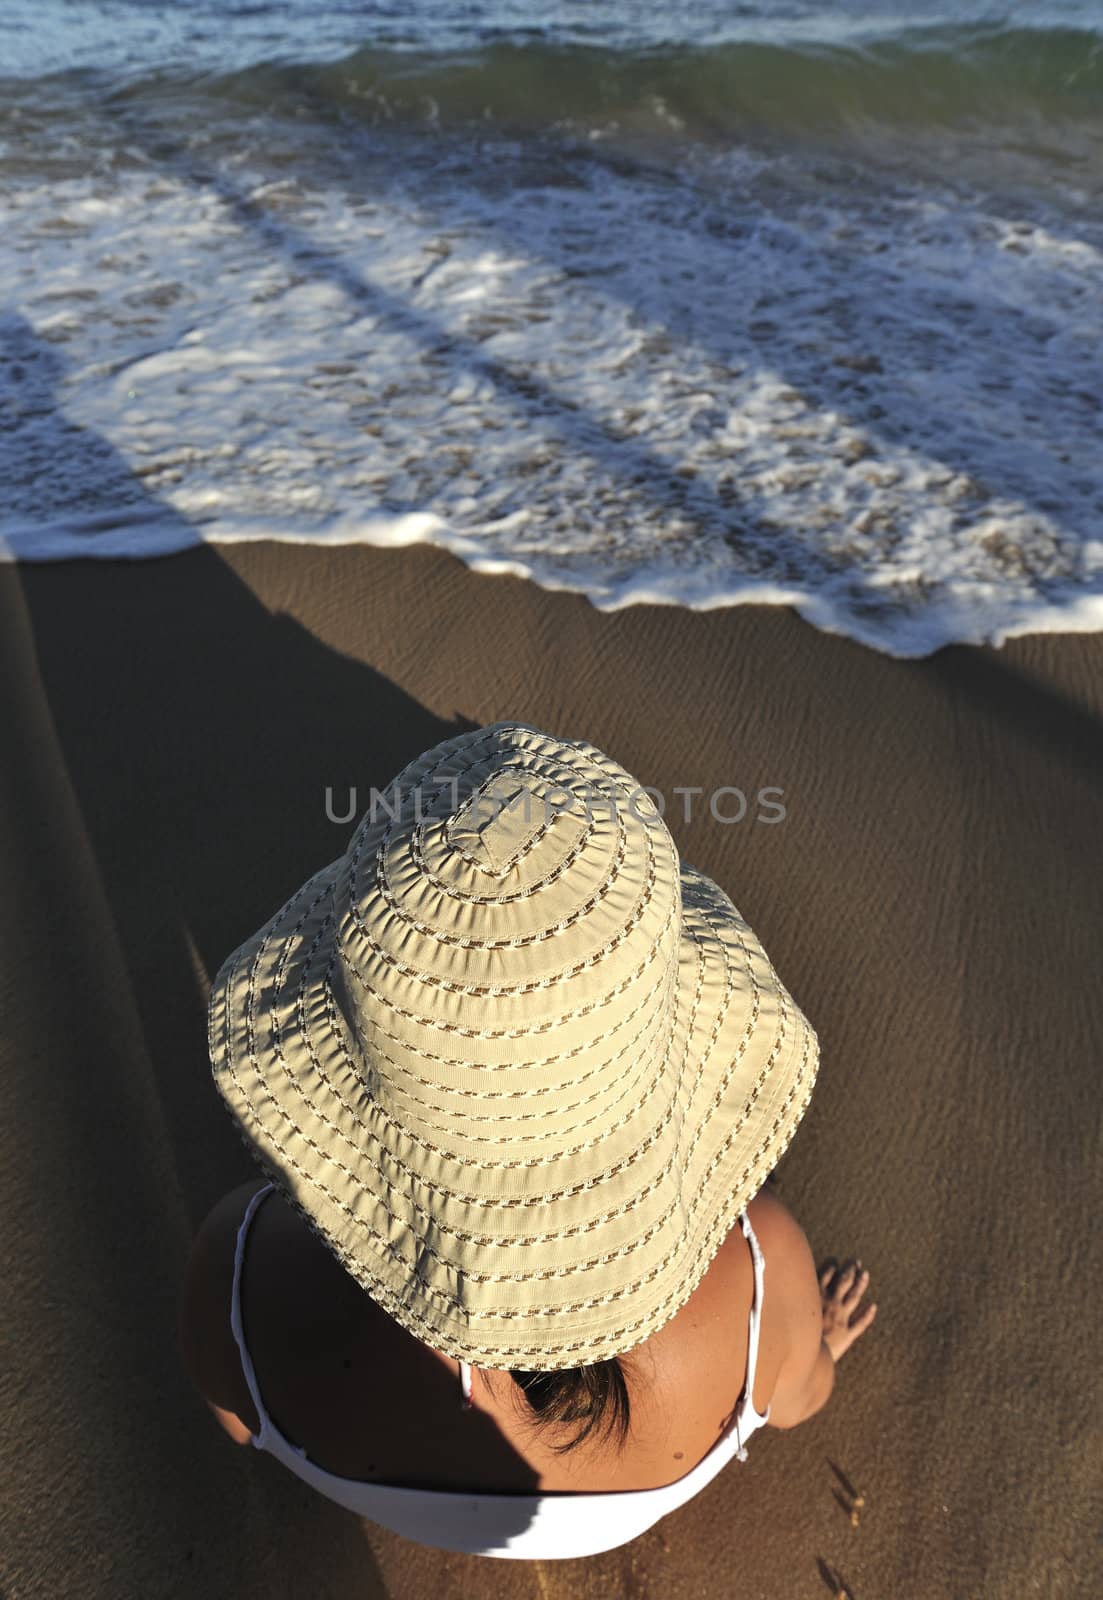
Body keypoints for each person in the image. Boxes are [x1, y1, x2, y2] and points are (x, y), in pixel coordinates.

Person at [179, 723, 877, 1559]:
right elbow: (799, 1396)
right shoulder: (760, 1273)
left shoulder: (240, 1267)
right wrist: (815, 1341)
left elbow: (236, 1419)